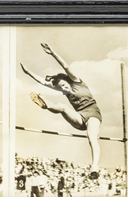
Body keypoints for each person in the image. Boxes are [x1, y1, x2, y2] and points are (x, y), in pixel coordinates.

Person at [20, 43, 103, 179]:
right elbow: (43, 82)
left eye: (64, 85)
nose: (64, 89)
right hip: (79, 117)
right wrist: (28, 73)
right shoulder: (64, 90)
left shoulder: (77, 81)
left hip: (93, 113)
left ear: (68, 81)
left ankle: (94, 167)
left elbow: (65, 66)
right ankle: (46, 106)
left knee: (91, 137)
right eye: (61, 88)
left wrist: (52, 53)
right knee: (62, 106)